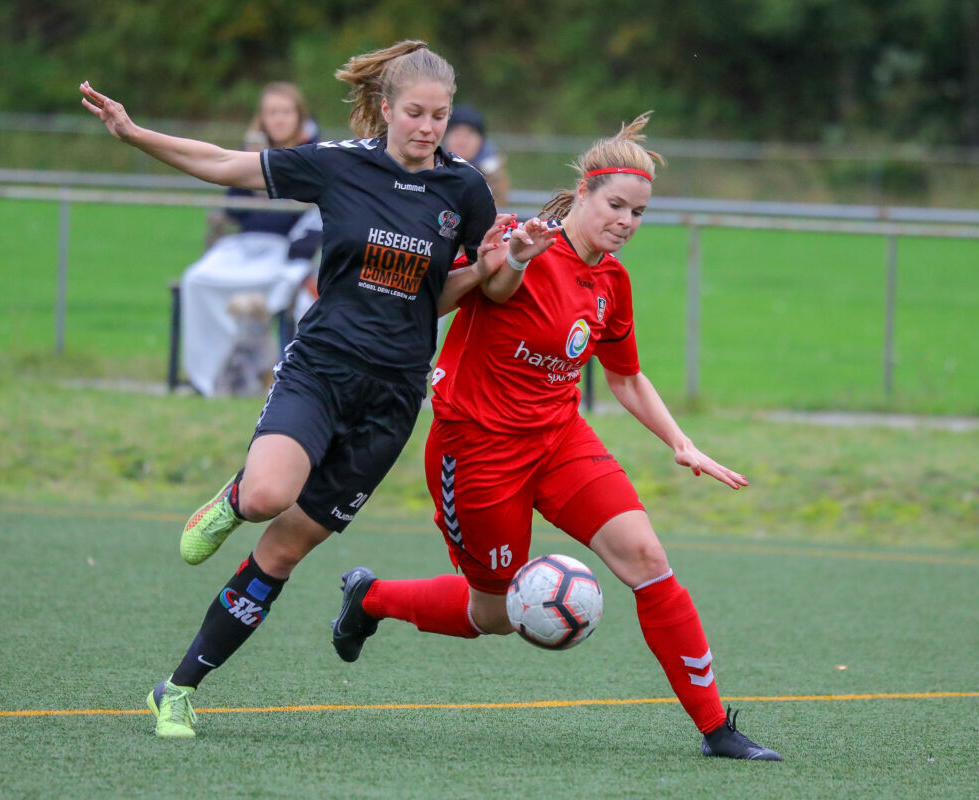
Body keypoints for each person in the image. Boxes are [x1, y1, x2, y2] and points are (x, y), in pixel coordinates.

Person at [79, 40, 556, 738]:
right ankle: (235, 495)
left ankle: (178, 690)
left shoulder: (465, 190)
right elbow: (223, 165)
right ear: (387, 109)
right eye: (416, 113)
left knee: (283, 552)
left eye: (441, 116)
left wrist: (503, 262)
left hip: (392, 399)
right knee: (269, 498)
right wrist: (133, 131)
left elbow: (473, 291)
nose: (428, 128)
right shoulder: (338, 164)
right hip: (322, 367)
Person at [329, 113, 783, 761]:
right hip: (477, 450)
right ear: (585, 195)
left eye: (640, 212)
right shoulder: (517, 237)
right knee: (495, 615)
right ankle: (370, 597)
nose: (627, 221)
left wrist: (680, 442)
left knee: (648, 560)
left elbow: (625, 379)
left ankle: (717, 729)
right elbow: (439, 296)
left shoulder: (611, 282)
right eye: (617, 205)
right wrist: (504, 263)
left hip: (559, 439)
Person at [181, 82, 323, 396]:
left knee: (287, 287)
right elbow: (235, 210)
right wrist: (249, 162)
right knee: (196, 280)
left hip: (285, 252)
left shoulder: (314, 155)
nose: (279, 119)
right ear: (262, 118)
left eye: (286, 112)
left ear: (299, 115)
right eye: (272, 112)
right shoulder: (253, 152)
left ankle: (272, 374)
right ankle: (206, 377)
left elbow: (314, 214)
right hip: (244, 246)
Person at [443, 104, 509, 208]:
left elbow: (498, 205)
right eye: (456, 133)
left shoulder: (492, 169)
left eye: (469, 135)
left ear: (481, 141)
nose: (462, 141)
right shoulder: (430, 163)